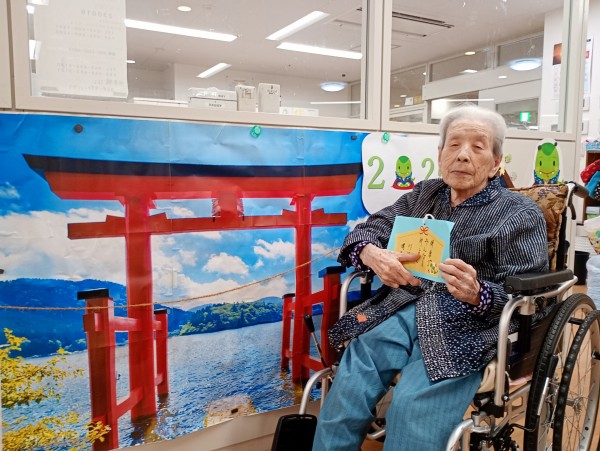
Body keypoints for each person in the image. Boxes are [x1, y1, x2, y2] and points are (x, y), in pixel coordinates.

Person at [312, 104, 549, 450]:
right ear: (440, 155)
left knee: (412, 408)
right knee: (350, 383)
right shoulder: (425, 194)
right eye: (453, 145)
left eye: (477, 147)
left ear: (496, 163)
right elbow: (370, 228)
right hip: (404, 304)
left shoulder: (519, 213)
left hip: (469, 326)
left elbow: (533, 296)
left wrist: (478, 292)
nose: (463, 155)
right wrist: (371, 253)